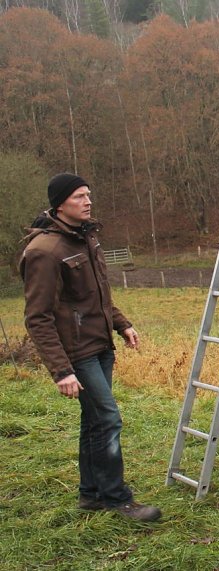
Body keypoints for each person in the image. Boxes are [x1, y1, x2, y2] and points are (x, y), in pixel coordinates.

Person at [19, 173, 161, 522]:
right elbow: (37, 317)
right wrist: (61, 369)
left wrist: (122, 323)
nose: (88, 201)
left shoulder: (85, 238)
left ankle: (91, 495)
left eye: (89, 194)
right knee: (108, 418)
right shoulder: (45, 252)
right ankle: (117, 498)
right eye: (79, 196)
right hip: (76, 353)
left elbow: (96, 294)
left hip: (100, 345)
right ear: (60, 204)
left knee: (95, 421)